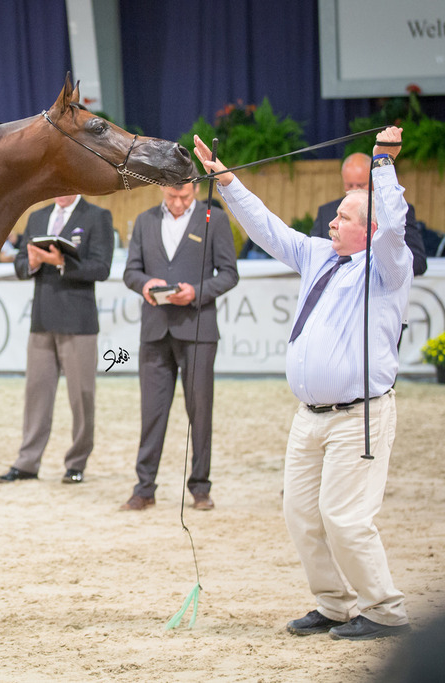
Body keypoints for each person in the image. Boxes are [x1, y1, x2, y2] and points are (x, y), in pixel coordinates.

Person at [195, 127, 412, 641]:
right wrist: (225, 180)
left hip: (359, 415)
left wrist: (383, 166)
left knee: (345, 517)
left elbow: (393, 228)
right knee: (301, 515)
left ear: (369, 229)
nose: (332, 221)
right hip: (308, 417)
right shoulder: (317, 254)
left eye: (344, 217)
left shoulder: (387, 267)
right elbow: (266, 227)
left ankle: (385, 610)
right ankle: (334, 604)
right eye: (335, 214)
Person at [120, 183, 239, 511]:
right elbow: (130, 272)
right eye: (171, 196)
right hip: (155, 330)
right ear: (162, 188)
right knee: (151, 412)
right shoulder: (144, 220)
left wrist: (196, 292)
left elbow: (229, 274)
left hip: (198, 329)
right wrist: (145, 283)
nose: (177, 202)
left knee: (200, 411)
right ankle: (144, 488)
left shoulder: (214, 219)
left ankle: (200, 487)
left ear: (196, 188)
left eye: (184, 197)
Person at [0, 195, 114, 484]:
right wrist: (33, 262)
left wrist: (62, 263)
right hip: (42, 320)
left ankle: (76, 463)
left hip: (79, 323)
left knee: (82, 397)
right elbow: (20, 265)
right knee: (36, 395)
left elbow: (102, 268)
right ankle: (27, 462)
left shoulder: (97, 216)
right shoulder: (37, 216)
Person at [312, 152, 426, 276]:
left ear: (373, 181)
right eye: (349, 185)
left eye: (361, 185)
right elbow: (314, 256)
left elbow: (418, 262)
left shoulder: (396, 212)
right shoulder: (326, 212)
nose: (355, 190)